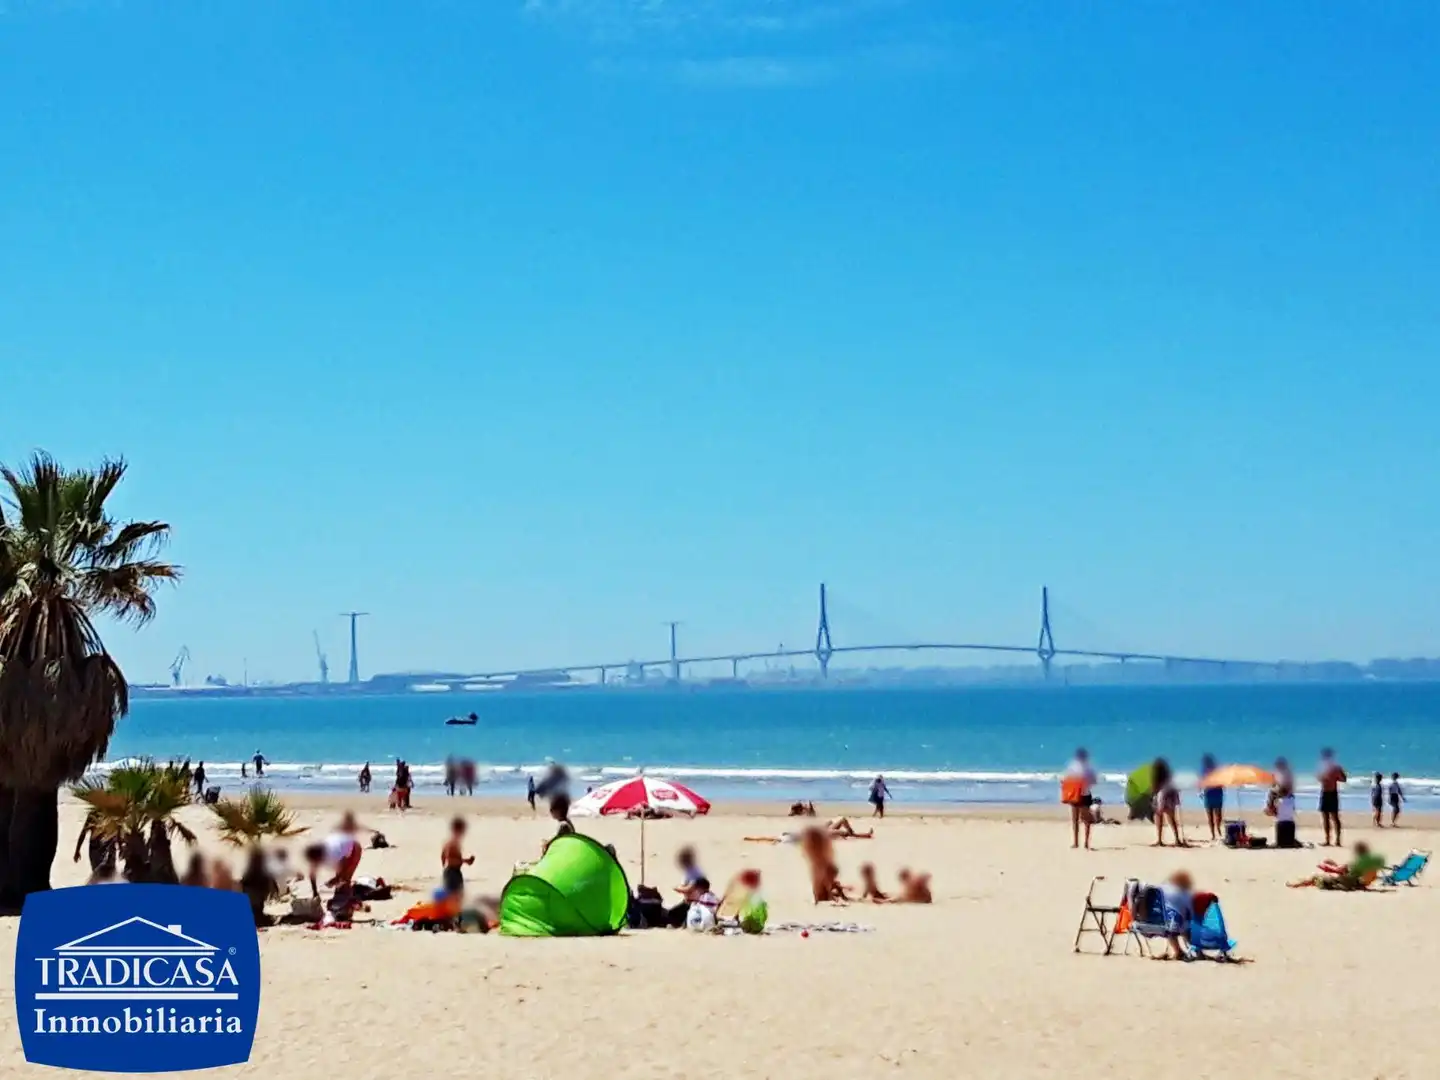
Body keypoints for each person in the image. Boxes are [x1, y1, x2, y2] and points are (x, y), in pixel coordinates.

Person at [1062, 748, 1097, 850]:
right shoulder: (1084, 767)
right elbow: (1094, 781)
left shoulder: (1076, 766)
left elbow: (1065, 779)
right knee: (1081, 820)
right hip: (1080, 794)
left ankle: (1080, 843)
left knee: (1080, 819)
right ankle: (1081, 843)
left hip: (1080, 794)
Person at [1156, 870, 1194, 960]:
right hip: (1175, 923)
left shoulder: (1160, 889)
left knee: (1172, 928)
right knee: (1185, 926)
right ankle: (1190, 950)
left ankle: (1178, 951)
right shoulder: (1183, 894)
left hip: (1158, 922)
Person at [1317, 748, 1348, 847]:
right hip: (1326, 792)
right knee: (1327, 817)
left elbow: (1343, 779)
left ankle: (1337, 840)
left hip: (1330, 793)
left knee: (1333, 817)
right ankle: (1328, 840)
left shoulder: (1335, 767)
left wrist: (1333, 777)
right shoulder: (1324, 767)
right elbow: (1319, 778)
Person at [1151, 758, 1185, 847]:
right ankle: (1177, 839)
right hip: (1170, 796)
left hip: (1161, 796)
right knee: (1172, 819)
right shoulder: (1169, 776)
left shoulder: (1156, 776)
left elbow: (1154, 788)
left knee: (1159, 817)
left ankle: (1159, 840)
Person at [440, 816, 475, 896]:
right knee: (455, 898)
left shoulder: (448, 842)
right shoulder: (453, 843)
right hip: (453, 873)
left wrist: (444, 865)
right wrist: (466, 861)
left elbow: (443, 856)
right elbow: (451, 860)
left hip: (451, 872)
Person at [1199, 753, 1223, 841]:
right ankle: (1213, 834)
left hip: (1216, 794)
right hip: (1210, 794)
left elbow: (1222, 783)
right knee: (1211, 816)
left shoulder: (1217, 771)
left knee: (1218, 815)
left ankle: (1217, 829)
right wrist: (1200, 791)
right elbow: (1201, 783)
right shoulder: (1204, 771)